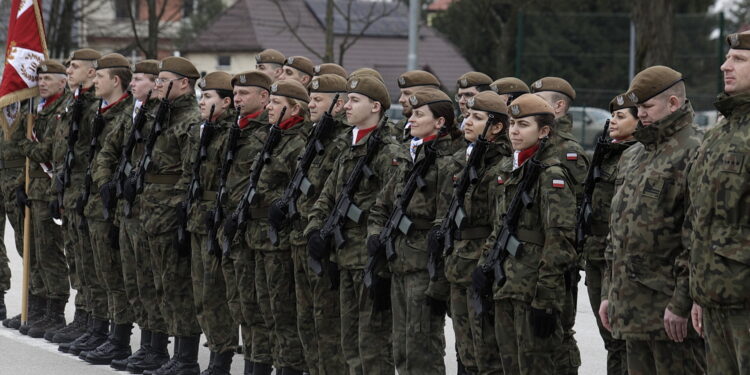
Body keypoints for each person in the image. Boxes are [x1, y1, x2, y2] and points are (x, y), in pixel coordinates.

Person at [599, 65, 705, 374]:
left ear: (673, 103)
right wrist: (609, 292)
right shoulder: (635, 155)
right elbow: (616, 231)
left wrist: (682, 302)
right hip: (632, 305)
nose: (640, 114)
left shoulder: (694, 151)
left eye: (647, 107)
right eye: (638, 108)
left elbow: (696, 236)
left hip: (668, 309)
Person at [305, 75, 401, 374]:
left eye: (354, 100)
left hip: (369, 260)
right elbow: (327, 197)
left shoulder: (389, 153)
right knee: (348, 341)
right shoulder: (349, 147)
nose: (346, 106)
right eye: (346, 99)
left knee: (372, 343)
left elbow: (389, 209)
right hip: (343, 256)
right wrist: (315, 231)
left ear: (375, 106)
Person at [479, 93, 576, 375]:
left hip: (532, 290)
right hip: (506, 285)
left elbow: (560, 242)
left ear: (544, 131)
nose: (514, 131)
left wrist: (545, 299)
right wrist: (485, 267)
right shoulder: (512, 170)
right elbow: (499, 227)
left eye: (523, 125)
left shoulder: (551, 176)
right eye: (511, 124)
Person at [368, 88, 459, 374]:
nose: (412, 119)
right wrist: (375, 235)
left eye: (420, 115)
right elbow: (381, 206)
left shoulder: (449, 163)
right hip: (398, 263)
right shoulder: (411, 156)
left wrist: (439, 281)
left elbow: (445, 222)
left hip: (424, 268)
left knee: (422, 347)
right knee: (402, 348)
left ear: (440, 122)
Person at [95, 59, 170, 373]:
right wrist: (105, 183)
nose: (134, 84)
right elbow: (109, 152)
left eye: (140, 79)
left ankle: (155, 347)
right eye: (134, 78)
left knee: (152, 282)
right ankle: (134, 342)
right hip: (128, 207)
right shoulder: (136, 116)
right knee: (131, 280)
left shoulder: (161, 118)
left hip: (151, 210)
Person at [687, 31, 750, 375]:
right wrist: (700, 293)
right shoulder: (719, 133)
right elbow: (699, 217)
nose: (726, 65)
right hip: (716, 298)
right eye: (727, 58)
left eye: (739, 59)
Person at [240, 79, 311, 375]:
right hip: (258, 236)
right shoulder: (274, 136)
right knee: (260, 310)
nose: (268, 107)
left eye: (276, 104)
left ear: (295, 108)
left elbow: (299, 192)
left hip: (280, 240)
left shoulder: (300, 142)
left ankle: (288, 368)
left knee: (283, 315)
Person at [138, 56, 203, 375]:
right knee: (157, 283)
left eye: (164, 80)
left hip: (170, 212)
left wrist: (178, 211)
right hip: (150, 208)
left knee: (177, 286)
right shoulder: (161, 115)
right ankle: (159, 349)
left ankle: (186, 357)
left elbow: (192, 173)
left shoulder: (190, 120)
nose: (158, 85)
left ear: (184, 84)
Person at [443, 90, 511, 375]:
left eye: (477, 118)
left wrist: (486, 265)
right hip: (458, 264)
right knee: (465, 351)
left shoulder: (502, 166)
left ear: (496, 127)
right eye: (468, 115)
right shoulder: (463, 159)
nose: (467, 122)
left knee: (487, 355)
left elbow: (501, 223)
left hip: (482, 267)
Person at [284, 74, 349, 374]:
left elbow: (333, 195)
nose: (310, 103)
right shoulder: (315, 137)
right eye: (310, 98)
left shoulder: (343, 144)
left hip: (327, 246)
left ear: (338, 104)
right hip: (302, 238)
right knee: (306, 320)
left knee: (327, 326)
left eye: (318, 99)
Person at [178, 71, 238, 374]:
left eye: (209, 97)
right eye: (201, 96)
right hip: (198, 218)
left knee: (216, 294)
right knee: (201, 293)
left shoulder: (232, 132)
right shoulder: (204, 130)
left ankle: (221, 359)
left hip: (216, 219)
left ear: (226, 102)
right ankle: (214, 353)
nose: (202, 102)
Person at [79, 53, 136, 365]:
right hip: (94, 199)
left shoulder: (127, 114)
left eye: (99, 76)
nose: (94, 80)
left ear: (116, 81)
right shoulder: (100, 112)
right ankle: (100, 328)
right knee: (97, 271)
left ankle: (119, 338)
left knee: (113, 276)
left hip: (113, 203)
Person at [531, 76, 589, 375]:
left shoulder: (568, 152)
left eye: (539, 101)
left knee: (558, 336)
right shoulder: (535, 145)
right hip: (531, 261)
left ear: (559, 106)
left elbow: (575, 213)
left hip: (558, 259)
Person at [221, 70, 275, 375]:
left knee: (262, 307)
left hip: (257, 229)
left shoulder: (268, 132)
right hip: (234, 228)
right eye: (235, 94)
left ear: (264, 97)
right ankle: (252, 364)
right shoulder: (234, 128)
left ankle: (260, 367)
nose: (236, 100)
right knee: (242, 304)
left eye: (243, 95)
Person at [580, 93, 638, 375]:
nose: (613, 120)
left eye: (621, 116)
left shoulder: (635, 157)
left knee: (622, 340)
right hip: (595, 253)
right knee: (609, 339)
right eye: (612, 115)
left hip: (616, 256)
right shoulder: (605, 153)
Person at [55, 48, 107, 355]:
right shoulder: (75, 102)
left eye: (74, 67)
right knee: (77, 258)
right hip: (71, 189)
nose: (68, 70)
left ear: (91, 73)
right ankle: (85, 317)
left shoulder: (95, 107)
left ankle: (93, 321)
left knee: (91, 261)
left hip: (86, 192)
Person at [14, 60, 70, 339]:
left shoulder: (63, 111)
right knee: (33, 254)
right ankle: (36, 307)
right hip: (34, 190)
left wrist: (22, 142)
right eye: (40, 78)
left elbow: (45, 152)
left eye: (49, 78)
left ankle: (55, 311)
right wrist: (18, 184)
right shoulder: (41, 110)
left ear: (63, 82)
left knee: (50, 254)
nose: (42, 83)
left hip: (49, 191)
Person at [393, 70, 441, 142]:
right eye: (401, 94)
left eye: (407, 93)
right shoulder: (402, 126)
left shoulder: (447, 131)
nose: (401, 100)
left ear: (428, 95)